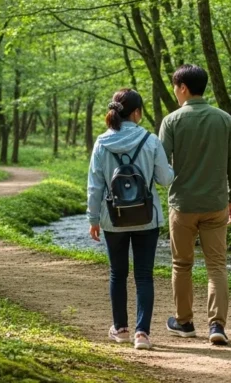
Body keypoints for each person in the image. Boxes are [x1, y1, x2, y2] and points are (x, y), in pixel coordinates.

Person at [159, 64, 231, 346]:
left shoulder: (171, 121)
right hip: (216, 202)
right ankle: (217, 326)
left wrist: (169, 183)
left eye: (174, 86)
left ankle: (184, 322)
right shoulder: (224, 119)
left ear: (183, 87)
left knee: (182, 264)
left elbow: (162, 164)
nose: (174, 91)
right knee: (217, 265)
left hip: (182, 204)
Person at [87, 88, 174, 351]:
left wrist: (93, 219)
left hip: (113, 219)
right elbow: (165, 179)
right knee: (144, 275)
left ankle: (121, 329)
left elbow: (95, 187)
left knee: (118, 273)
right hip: (147, 218)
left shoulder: (102, 143)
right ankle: (142, 334)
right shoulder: (150, 140)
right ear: (136, 113)